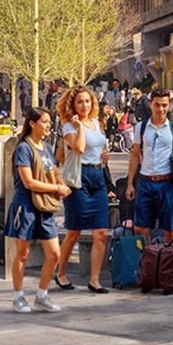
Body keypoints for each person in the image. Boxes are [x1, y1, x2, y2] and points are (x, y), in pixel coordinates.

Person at [5, 106, 70, 313]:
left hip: (46, 206)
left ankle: (42, 294)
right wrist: (56, 188)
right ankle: (18, 296)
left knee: (54, 254)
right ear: (32, 124)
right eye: (44, 122)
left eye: (49, 122)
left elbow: (53, 172)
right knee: (23, 253)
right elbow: (29, 182)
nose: (48, 126)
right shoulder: (24, 148)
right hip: (26, 206)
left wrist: (61, 184)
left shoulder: (47, 147)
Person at [53, 87, 114, 292]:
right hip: (79, 180)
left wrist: (104, 157)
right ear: (72, 104)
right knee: (74, 232)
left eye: (87, 101)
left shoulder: (96, 123)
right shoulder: (69, 126)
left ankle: (94, 280)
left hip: (98, 178)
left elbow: (100, 148)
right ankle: (60, 273)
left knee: (101, 232)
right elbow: (78, 148)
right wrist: (79, 128)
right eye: (80, 102)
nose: (84, 105)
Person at [129, 89, 173, 280]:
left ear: (169, 105)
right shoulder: (142, 127)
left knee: (170, 228)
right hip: (145, 181)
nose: (161, 109)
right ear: (151, 104)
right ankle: (149, 261)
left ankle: (170, 267)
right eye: (157, 104)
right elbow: (135, 155)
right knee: (141, 227)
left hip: (167, 182)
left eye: (164, 105)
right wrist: (130, 183)